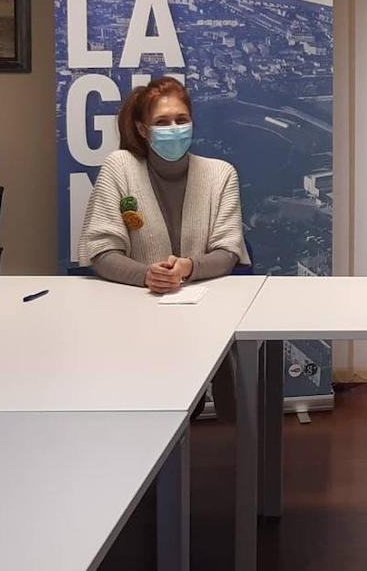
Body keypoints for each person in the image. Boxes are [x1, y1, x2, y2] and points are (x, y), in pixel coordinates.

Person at [79, 76, 249, 418]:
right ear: (143, 129)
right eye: (162, 122)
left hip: (201, 311)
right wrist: (147, 275)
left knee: (193, 393)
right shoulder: (120, 168)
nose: (174, 129)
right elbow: (101, 250)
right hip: (134, 312)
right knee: (143, 401)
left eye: (181, 120)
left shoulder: (221, 174)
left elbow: (228, 251)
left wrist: (189, 267)